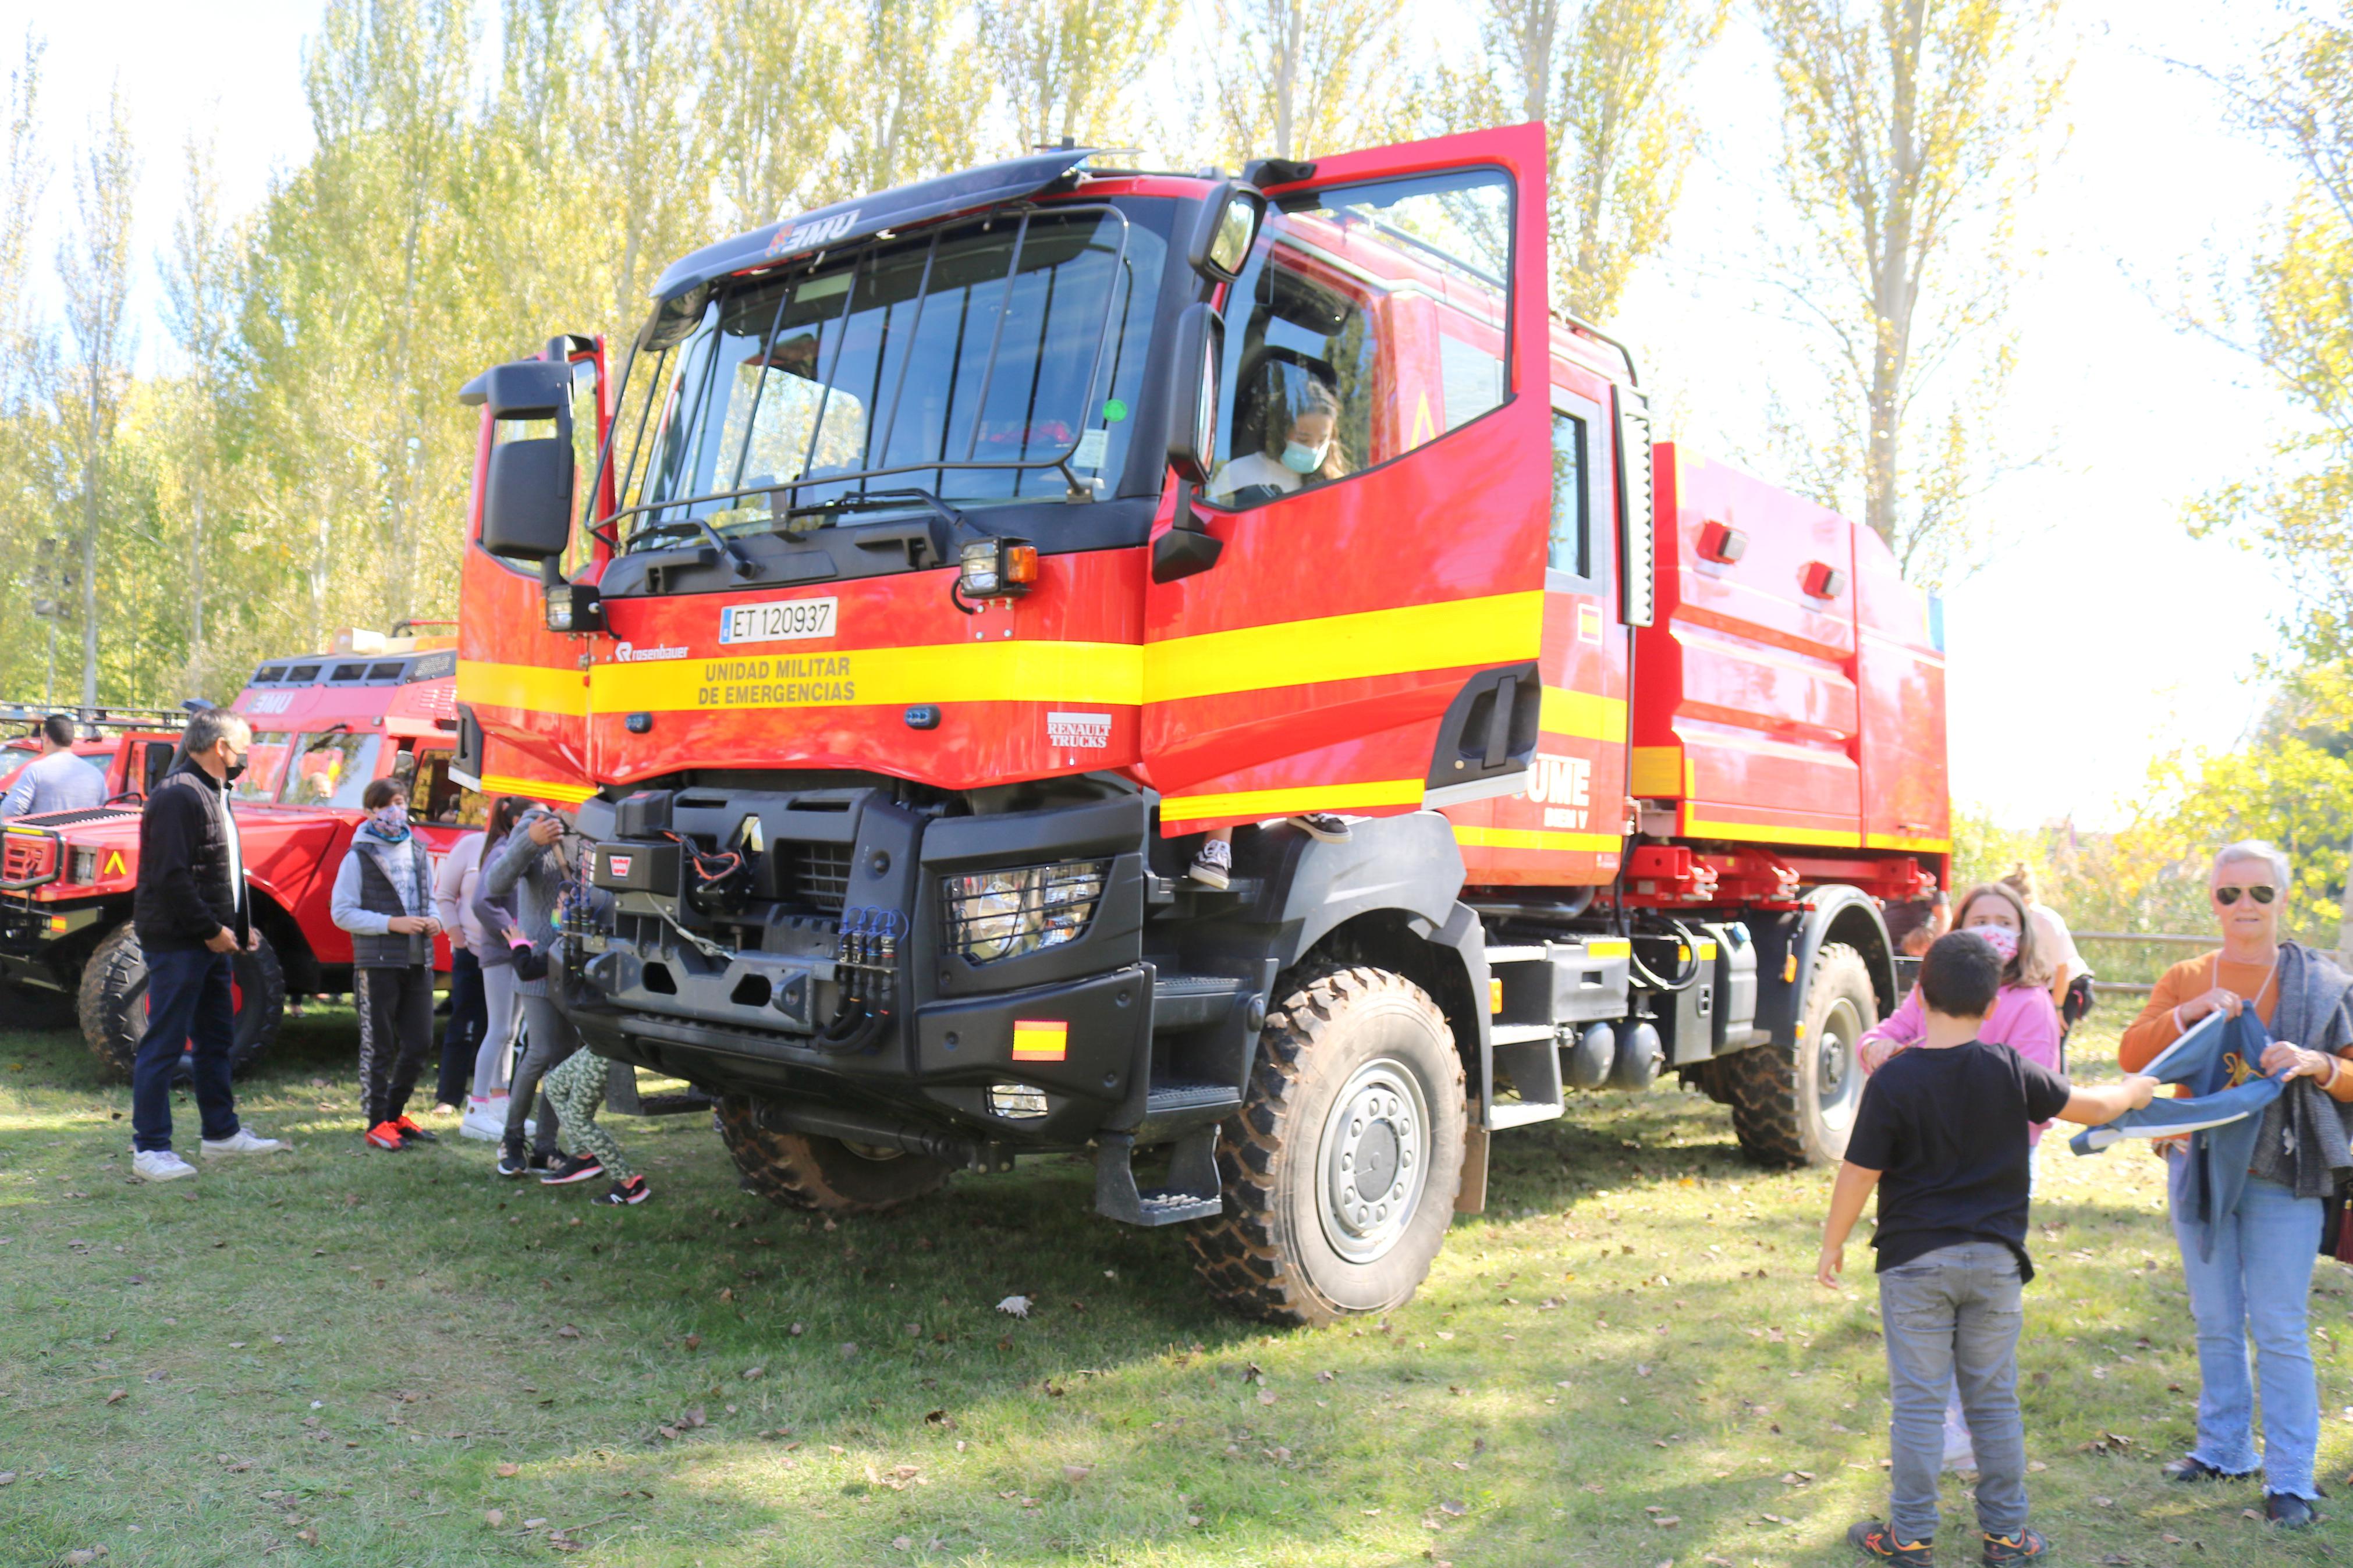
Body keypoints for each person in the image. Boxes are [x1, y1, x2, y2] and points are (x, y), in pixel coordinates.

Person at [1818, 930, 2158, 1565]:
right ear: (1992, 1005)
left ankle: (1910, 1536)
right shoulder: (2010, 1068)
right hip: (1996, 1265)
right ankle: (2005, 1535)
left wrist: (1831, 1244)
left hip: (1914, 1263)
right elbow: (2094, 1104)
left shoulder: (1893, 1081)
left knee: (1919, 1402)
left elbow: (1858, 1172)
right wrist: (2133, 1092)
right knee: (1992, 1400)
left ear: (1918, 995)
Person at [2117, 839, 2353, 1530]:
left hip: (2287, 1172)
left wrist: (2316, 1064)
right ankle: (2222, 1449)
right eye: (2228, 893)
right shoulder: (2187, 975)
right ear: (2213, 901)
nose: (2243, 905)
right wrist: (2187, 1014)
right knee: (2214, 1320)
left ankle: (2289, 1477)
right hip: (2199, 1169)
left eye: (2258, 892)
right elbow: (2134, 1055)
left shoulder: (2326, 983)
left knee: (2278, 1327)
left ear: (2281, 898)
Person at [1859, 882, 2064, 1472]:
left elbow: (2042, 1100)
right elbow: (1887, 1033)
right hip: (1923, 1168)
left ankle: (1964, 1437)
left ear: (2021, 934)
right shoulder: (1930, 995)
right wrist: (1875, 1049)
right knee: (1931, 1314)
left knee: (1972, 1324)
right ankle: (1955, 1448)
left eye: (2004, 921)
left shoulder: (2027, 1006)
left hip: (1992, 1174)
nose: (1993, 930)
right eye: (1981, 920)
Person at [126, 709, 286, 1181]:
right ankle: (150, 1147)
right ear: (221, 746)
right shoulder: (179, 795)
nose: (247, 756)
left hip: (213, 940)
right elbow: (170, 876)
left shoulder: (216, 792)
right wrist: (210, 930)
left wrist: (239, 925)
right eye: (245, 746)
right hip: (180, 940)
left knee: (216, 1038)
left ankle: (221, 1134)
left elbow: (223, 868)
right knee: (166, 1041)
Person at [330, 777, 443, 1152]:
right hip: (377, 962)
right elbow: (342, 913)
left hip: (418, 959)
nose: (396, 810)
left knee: (420, 1042)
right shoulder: (358, 856)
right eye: (387, 804)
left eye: (401, 801)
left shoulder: (418, 850)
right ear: (371, 811)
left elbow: (431, 900)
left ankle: (395, 1114)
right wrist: (390, 925)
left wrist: (435, 921)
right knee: (379, 1044)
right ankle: (376, 1122)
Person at [482, 801, 587, 1178]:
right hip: (540, 965)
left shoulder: (593, 824)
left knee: (566, 1058)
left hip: (578, 965)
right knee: (541, 1050)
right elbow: (495, 883)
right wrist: (530, 840)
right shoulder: (536, 823)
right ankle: (512, 1139)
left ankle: (546, 1146)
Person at [460, 797, 528, 1142]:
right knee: (499, 1028)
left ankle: (500, 1103)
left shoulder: (514, 853)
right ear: (517, 821)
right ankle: (477, 1108)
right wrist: (511, 933)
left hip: (514, 952)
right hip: (501, 953)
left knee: (510, 1031)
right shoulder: (502, 853)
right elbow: (481, 902)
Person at [1205, 378, 1350, 507]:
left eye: (1322, 440)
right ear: (1280, 431)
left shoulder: (1335, 486)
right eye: (1303, 439)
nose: (1313, 449)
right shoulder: (1238, 472)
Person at [431, 819, 490, 1121]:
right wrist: (456, 936)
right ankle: (449, 1096)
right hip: (470, 951)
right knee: (463, 1021)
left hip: (507, 955)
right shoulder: (470, 845)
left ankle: (490, 1095)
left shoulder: (525, 849)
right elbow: (444, 895)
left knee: (499, 1028)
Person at [538, 1046, 650, 1204]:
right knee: (554, 1085)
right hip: (597, 1041)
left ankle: (629, 1184)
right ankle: (583, 1156)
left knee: (579, 1116)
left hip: (611, 1043)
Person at [2000, 863, 2095, 1039]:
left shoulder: (2046, 921)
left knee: (2053, 1038)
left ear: (2026, 901)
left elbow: (2063, 968)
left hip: (2064, 985)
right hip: (2036, 985)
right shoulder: (2004, 922)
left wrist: (2056, 1009)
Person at [1, 713, 104, 817]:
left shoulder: (36, 770)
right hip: (80, 833)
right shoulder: (95, 774)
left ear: (46, 737)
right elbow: (104, 810)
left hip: (46, 832)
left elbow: (11, 810)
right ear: (71, 738)